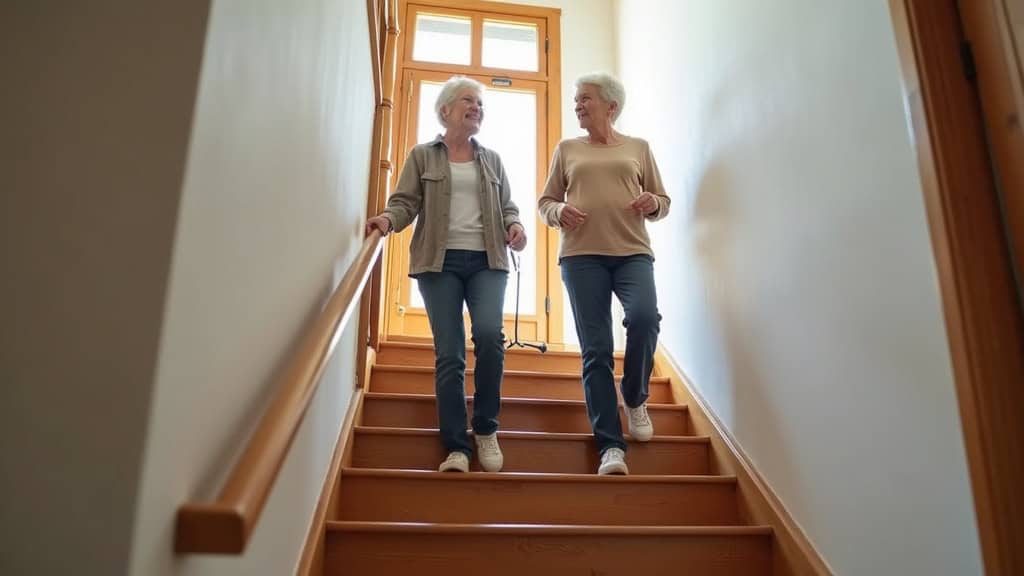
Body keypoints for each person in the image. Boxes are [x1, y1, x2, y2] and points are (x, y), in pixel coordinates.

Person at [366, 76, 527, 473]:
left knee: (490, 337)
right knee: (450, 354)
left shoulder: (492, 159)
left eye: (481, 104)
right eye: (469, 101)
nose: (477, 108)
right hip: (439, 264)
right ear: (445, 110)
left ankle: (486, 429)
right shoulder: (423, 156)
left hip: (488, 260)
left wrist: (516, 226)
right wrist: (388, 219)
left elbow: (508, 206)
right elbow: (404, 202)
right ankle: (457, 446)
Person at [538, 72, 669, 475]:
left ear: (611, 106)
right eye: (576, 99)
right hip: (581, 258)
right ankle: (610, 447)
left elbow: (663, 201)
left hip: (632, 252)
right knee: (595, 351)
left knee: (645, 320)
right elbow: (545, 201)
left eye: (586, 98)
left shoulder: (638, 148)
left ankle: (634, 396)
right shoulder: (567, 149)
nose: (578, 104)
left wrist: (653, 203)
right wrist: (559, 212)